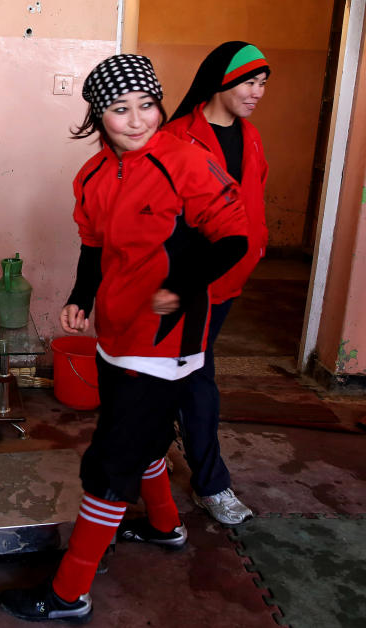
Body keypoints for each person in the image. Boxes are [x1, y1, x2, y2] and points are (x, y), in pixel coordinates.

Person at [0, 54, 249, 623]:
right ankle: (164, 525)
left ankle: (68, 592)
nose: (137, 120)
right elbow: (94, 246)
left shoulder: (187, 161)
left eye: (147, 105)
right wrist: (81, 297)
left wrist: (182, 286)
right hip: (117, 327)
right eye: (119, 109)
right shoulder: (90, 176)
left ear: (160, 104)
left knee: (113, 457)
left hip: (165, 335)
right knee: (139, 430)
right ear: (98, 116)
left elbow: (235, 237)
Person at [163, 41, 270, 526]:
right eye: (250, 81)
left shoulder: (251, 138)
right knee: (193, 374)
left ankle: (158, 453)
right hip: (182, 280)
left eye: (263, 83)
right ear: (222, 81)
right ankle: (212, 483)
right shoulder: (176, 137)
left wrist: (255, 248)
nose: (258, 92)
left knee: (186, 370)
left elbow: (252, 203)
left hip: (228, 280)